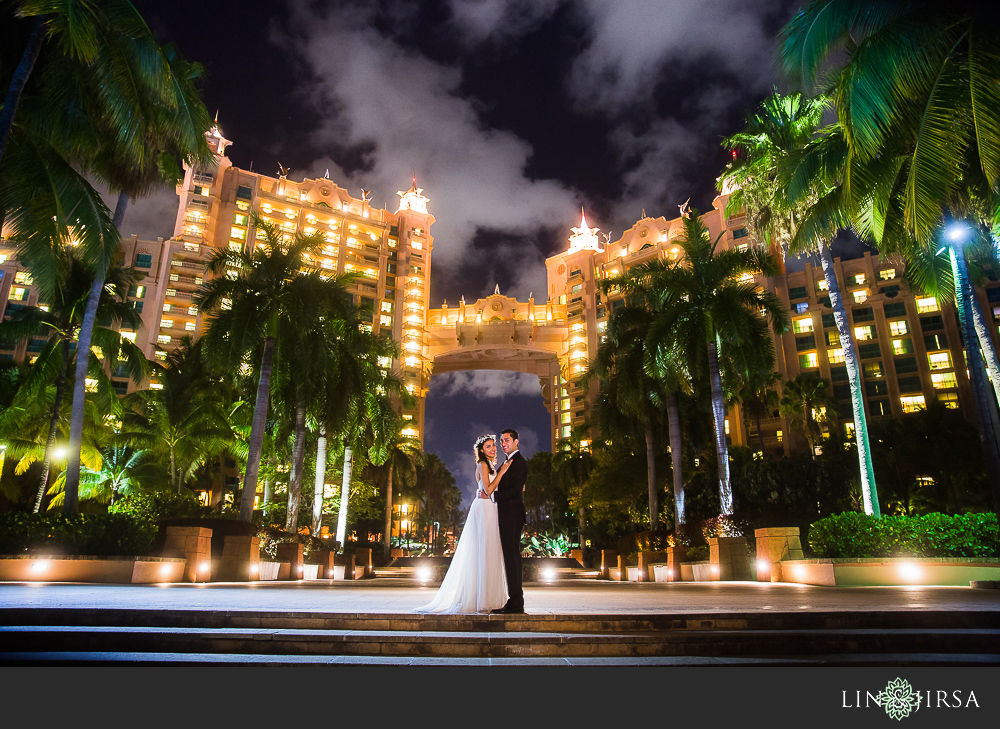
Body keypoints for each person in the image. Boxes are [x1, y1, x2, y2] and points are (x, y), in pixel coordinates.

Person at [414, 434, 510, 614]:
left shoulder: (490, 466)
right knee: (482, 551)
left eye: (493, 446)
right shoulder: (482, 464)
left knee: (490, 551)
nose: (493, 449)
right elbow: (488, 490)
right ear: (481, 450)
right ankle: (480, 599)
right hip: (484, 509)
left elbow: (493, 488)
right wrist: (503, 472)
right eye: (488, 446)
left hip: (492, 509)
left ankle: (491, 598)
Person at [484, 428, 527, 614]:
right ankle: (515, 600)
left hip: (513, 514)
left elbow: (516, 491)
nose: (503, 444)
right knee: (510, 557)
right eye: (501, 441)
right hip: (506, 514)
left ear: (517, 441)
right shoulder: (507, 462)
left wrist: (494, 496)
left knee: (512, 557)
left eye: (507, 440)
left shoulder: (519, 462)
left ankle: (516, 601)